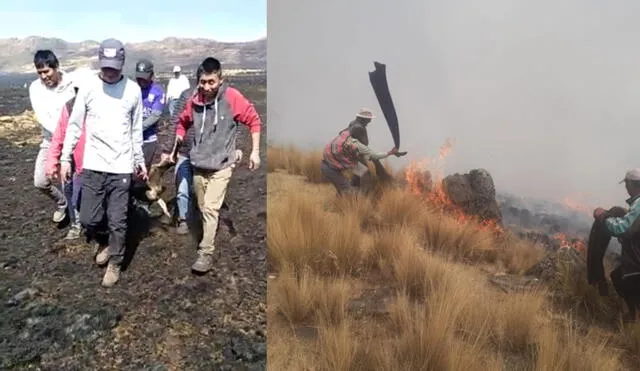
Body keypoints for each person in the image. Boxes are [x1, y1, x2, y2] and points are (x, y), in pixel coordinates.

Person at [162, 57, 262, 273]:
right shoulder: (193, 100)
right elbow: (182, 122)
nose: (207, 87)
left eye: (211, 82)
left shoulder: (232, 98)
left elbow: (254, 120)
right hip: (199, 164)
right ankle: (207, 230)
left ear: (220, 79)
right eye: (203, 82)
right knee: (202, 205)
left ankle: (205, 253)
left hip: (222, 165)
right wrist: (178, 138)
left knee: (210, 208)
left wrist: (255, 151)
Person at [60, 38, 147, 287]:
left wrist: (138, 161)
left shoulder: (132, 91)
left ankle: (115, 262)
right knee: (89, 218)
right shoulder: (88, 87)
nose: (110, 71)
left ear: (122, 63)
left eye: (115, 66)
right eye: (106, 66)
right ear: (100, 62)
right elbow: (75, 126)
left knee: (118, 220)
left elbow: (135, 130)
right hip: (94, 165)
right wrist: (66, 158)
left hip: (121, 166)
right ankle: (106, 241)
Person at [45, 68, 96, 240]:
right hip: (74, 161)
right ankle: (76, 224)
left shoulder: (101, 107)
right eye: (77, 91)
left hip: (97, 162)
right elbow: (59, 135)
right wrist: (52, 160)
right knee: (70, 191)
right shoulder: (69, 107)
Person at [28, 50, 76, 224]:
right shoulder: (35, 88)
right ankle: (62, 203)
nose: (43, 76)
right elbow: (43, 117)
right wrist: (57, 147)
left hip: (73, 140)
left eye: (47, 71)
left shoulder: (72, 84)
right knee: (40, 181)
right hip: (50, 139)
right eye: (40, 73)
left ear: (56, 67)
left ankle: (76, 221)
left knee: (70, 182)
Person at [593, 169, 640, 322]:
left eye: (626, 183)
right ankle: (633, 320)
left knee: (624, 281)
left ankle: (634, 320)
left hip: (637, 266)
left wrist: (603, 216)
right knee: (618, 276)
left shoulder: (639, 204)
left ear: (632, 184)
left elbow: (623, 229)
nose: (626, 187)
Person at [321, 123, 398, 195]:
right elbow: (375, 155)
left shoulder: (342, 135)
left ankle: (360, 193)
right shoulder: (356, 144)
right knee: (348, 189)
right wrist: (390, 152)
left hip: (330, 162)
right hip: (333, 168)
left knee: (363, 174)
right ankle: (362, 197)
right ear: (359, 136)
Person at [161, 86, 196, 234]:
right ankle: (183, 219)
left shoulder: (219, 97)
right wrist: (167, 150)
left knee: (201, 188)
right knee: (182, 187)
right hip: (184, 151)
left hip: (207, 154)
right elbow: (175, 121)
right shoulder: (186, 95)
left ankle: (201, 216)